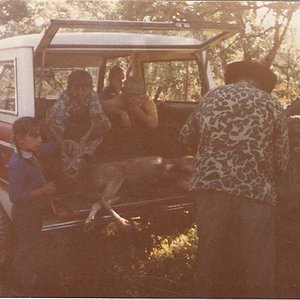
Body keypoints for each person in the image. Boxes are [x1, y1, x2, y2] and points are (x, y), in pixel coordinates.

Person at [179, 60, 290, 298]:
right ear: (262, 83)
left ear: (234, 77)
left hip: (211, 188)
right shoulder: (272, 105)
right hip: (255, 193)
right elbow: (282, 161)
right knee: (257, 261)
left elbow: (185, 137)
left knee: (209, 257)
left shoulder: (210, 98)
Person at [8, 117, 58, 294]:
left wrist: (61, 141)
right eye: (35, 136)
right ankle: (19, 285)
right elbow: (14, 196)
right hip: (24, 214)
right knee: (26, 247)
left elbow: (50, 146)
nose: (40, 140)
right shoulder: (17, 164)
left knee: (33, 244)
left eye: (40, 136)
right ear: (21, 139)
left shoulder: (32, 152)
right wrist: (42, 191)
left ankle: (29, 278)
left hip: (34, 212)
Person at [46, 69, 111, 158]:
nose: (80, 93)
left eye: (84, 89)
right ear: (69, 88)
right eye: (76, 88)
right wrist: (66, 142)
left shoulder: (93, 96)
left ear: (91, 89)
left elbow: (99, 121)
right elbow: (55, 123)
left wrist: (82, 141)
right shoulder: (64, 98)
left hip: (87, 134)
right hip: (66, 134)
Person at [101, 75, 159, 158]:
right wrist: (121, 113)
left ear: (142, 95)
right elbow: (102, 105)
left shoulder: (148, 103)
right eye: (130, 95)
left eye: (136, 95)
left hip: (145, 143)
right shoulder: (122, 99)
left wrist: (138, 111)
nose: (132, 98)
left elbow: (154, 124)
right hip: (125, 141)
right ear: (125, 94)